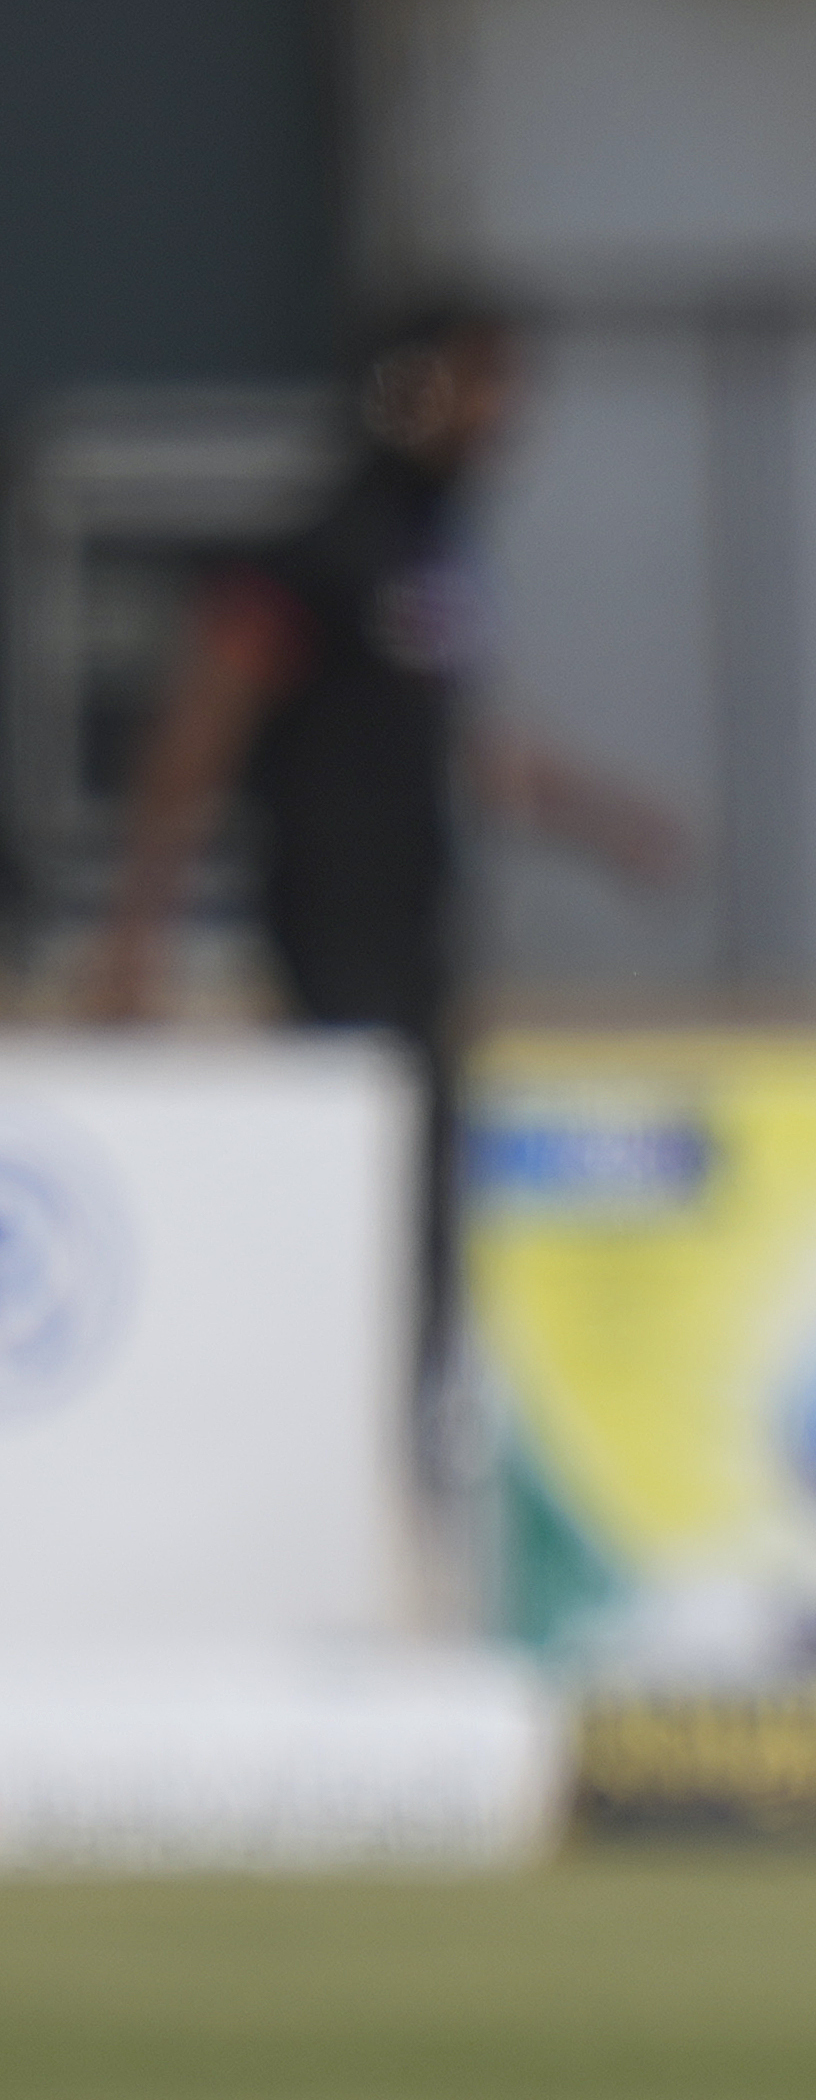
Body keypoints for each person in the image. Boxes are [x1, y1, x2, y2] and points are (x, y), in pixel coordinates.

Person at [82, 298, 682, 1378]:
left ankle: (415, 1420)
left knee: (428, 1211)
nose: (505, 416)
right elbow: (200, 728)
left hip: (417, 934)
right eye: (481, 385)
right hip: (333, 930)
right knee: (363, 1204)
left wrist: (609, 824)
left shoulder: (429, 554)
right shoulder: (322, 547)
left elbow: (469, 746)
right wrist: (138, 932)